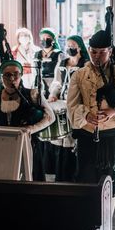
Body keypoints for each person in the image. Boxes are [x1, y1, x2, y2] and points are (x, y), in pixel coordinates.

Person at [67, 30, 115, 204]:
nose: (97, 56)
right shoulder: (79, 75)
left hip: (112, 135)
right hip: (87, 135)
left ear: (110, 51)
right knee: (86, 178)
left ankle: (107, 222)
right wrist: (86, 115)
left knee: (110, 179)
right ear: (88, 50)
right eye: (94, 51)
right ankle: (89, 221)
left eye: (102, 52)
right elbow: (71, 105)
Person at [0, 59, 55, 179]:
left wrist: (30, 129)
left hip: (29, 146)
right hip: (3, 148)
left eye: (15, 74)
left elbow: (50, 117)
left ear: (21, 76)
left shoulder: (33, 94)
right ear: (1, 77)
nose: (12, 79)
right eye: (7, 75)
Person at [43, 35, 90, 182]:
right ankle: (62, 173)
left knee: (73, 136)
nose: (70, 48)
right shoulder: (62, 62)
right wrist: (53, 94)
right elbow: (57, 82)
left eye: (73, 45)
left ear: (80, 47)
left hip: (78, 102)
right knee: (62, 137)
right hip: (63, 100)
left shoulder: (86, 64)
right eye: (68, 45)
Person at [34, 27, 63, 97]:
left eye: (48, 37)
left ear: (53, 39)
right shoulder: (37, 54)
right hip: (40, 81)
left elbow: (59, 72)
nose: (45, 40)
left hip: (54, 81)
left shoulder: (58, 53)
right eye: (43, 38)